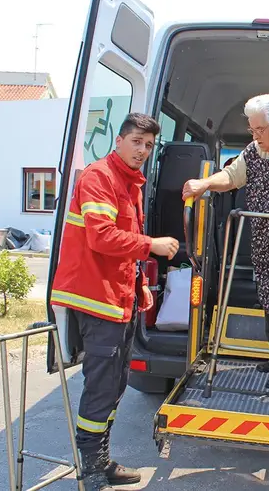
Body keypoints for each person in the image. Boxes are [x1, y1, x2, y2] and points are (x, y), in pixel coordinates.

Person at [50, 113, 179, 490]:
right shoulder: (99, 178)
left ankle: (101, 461)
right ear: (120, 140)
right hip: (95, 299)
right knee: (101, 386)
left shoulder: (129, 183)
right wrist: (150, 245)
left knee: (115, 384)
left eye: (149, 146)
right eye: (136, 142)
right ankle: (90, 470)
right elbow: (102, 238)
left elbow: (120, 246)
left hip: (116, 299)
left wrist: (138, 287)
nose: (142, 150)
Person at [181, 94, 269, 390]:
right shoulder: (254, 151)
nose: (255, 136)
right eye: (252, 130)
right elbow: (231, 176)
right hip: (264, 242)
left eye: (260, 130)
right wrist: (204, 184)